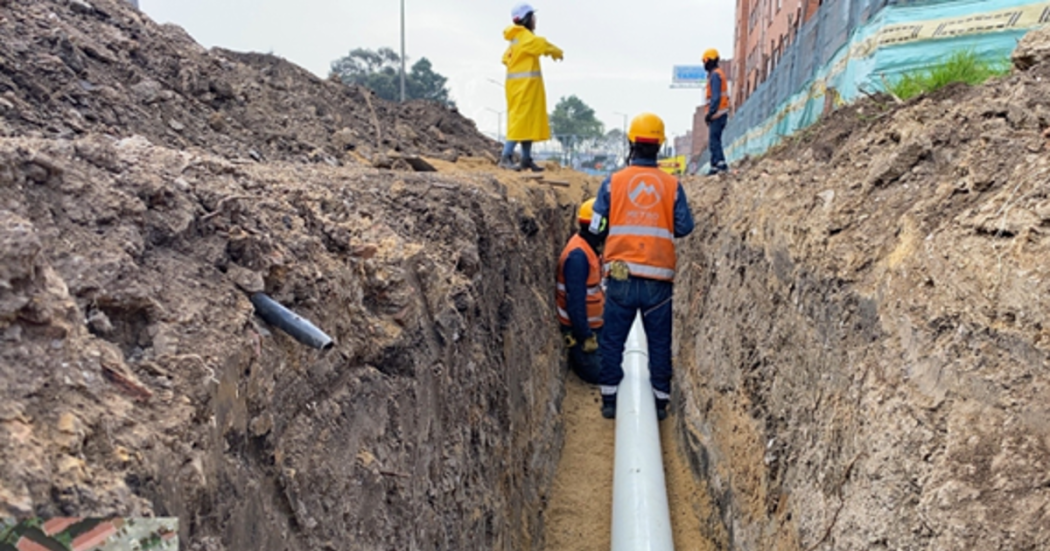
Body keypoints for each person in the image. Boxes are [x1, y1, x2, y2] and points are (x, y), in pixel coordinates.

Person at [589, 113, 695, 421]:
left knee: (613, 339)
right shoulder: (672, 185)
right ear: (660, 145)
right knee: (659, 341)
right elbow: (685, 226)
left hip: (621, 274)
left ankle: (609, 399)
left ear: (631, 143)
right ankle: (660, 401)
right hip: (657, 278)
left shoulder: (613, 182)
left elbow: (596, 227)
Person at [500, 2, 563, 172]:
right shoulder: (525, 38)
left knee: (526, 122)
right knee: (520, 122)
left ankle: (526, 159)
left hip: (521, 87)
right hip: (524, 88)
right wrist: (557, 52)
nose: (535, 20)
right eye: (533, 16)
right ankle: (505, 157)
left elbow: (505, 59)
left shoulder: (516, 39)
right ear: (526, 19)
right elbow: (542, 44)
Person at [556, 199, 607, 385]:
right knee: (604, 375)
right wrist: (585, 337)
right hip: (583, 331)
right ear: (598, 226)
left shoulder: (588, 248)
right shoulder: (578, 256)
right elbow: (575, 302)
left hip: (596, 325)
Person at [703, 48, 730, 175]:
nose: (704, 64)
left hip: (717, 114)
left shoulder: (715, 75)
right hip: (720, 113)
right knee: (714, 140)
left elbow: (715, 97)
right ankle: (715, 164)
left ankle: (720, 163)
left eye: (705, 61)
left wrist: (710, 113)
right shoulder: (718, 74)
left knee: (714, 140)